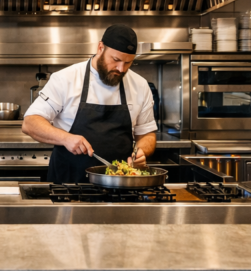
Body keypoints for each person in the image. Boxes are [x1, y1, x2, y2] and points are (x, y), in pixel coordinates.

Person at [22, 24, 157, 184]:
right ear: (100, 47)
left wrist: (141, 152)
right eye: (115, 60)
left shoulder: (140, 85)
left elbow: (147, 134)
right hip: (70, 183)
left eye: (128, 63)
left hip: (120, 186)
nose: (121, 69)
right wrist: (66, 138)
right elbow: (30, 123)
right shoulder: (66, 79)